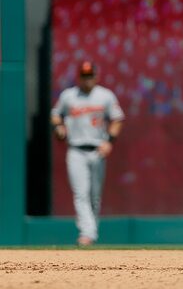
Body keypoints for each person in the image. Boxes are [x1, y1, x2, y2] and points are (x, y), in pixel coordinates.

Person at [50, 61, 125, 246]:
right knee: (80, 193)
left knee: (94, 195)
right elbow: (55, 114)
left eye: (90, 75)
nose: (87, 79)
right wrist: (58, 127)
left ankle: (91, 232)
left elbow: (117, 119)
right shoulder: (69, 95)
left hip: (97, 149)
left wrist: (109, 141)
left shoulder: (105, 96)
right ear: (79, 77)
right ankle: (87, 233)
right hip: (76, 149)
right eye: (84, 76)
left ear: (96, 76)